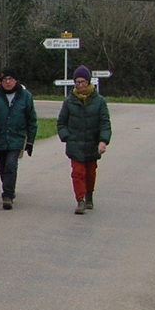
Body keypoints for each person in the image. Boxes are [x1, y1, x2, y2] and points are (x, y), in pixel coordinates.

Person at [57, 65, 111, 214]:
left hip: (92, 144)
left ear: (88, 82)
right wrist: (66, 136)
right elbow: (61, 122)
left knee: (90, 173)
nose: (80, 85)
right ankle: (80, 200)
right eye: (77, 82)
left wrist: (103, 141)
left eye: (82, 82)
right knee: (77, 172)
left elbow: (105, 123)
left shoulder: (99, 101)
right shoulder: (69, 102)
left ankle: (89, 195)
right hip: (75, 144)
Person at [0, 67, 38, 210]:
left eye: (10, 79)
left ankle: (7, 195)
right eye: (4, 79)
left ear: (16, 80)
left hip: (17, 137)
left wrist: (30, 141)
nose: (7, 82)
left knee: (10, 164)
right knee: (2, 166)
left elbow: (31, 120)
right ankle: (8, 187)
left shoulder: (25, 96)